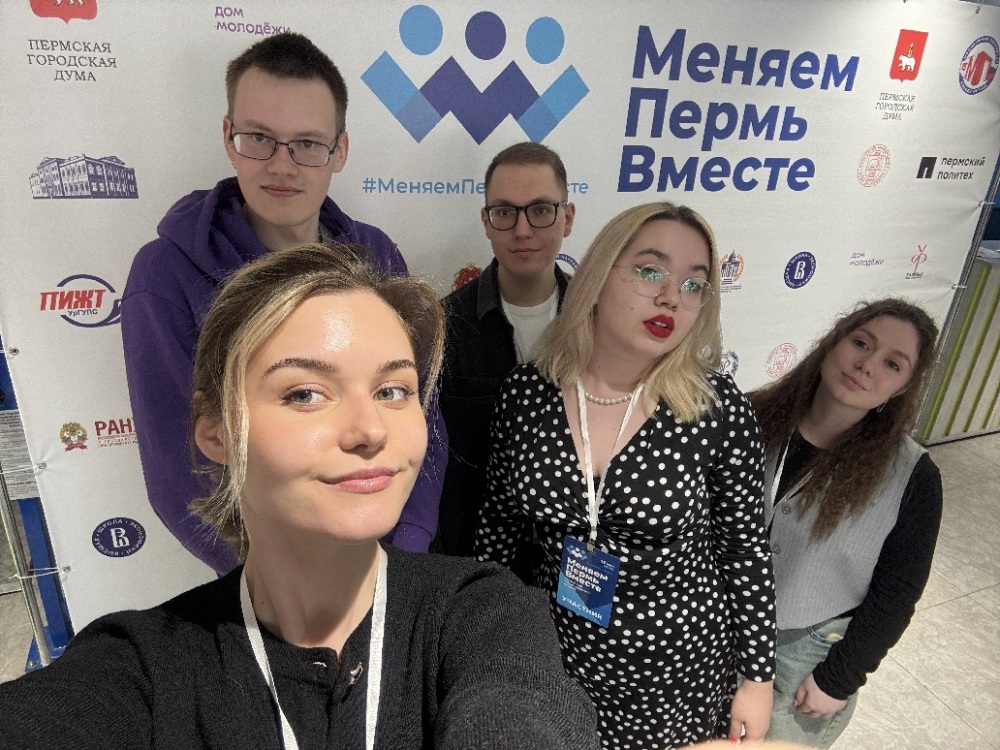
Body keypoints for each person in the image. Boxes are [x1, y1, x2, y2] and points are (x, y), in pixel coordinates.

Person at [0, 243, 599, 750]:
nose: (370, 429)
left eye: (393, 390)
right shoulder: (141, 666)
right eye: (306, 393)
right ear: (216, 430)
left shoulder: (482, 614)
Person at [121, 32, 446, 575]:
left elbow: (421, 411)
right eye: (259, 138)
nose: (282, 165)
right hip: (276, 580)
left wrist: (403, 556)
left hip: (392, 566)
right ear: (229, 137)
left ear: (340, 150)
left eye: (308, 144)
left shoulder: (377, 254)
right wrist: (287, 586)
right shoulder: (166, 274)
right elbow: (180, 471)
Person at [475, 202, 776, 749]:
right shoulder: (526, 394)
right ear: (597, 275)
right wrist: (484, 633)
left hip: (677, 672)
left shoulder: (715, 407)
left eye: (693, 284)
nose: (671, 297)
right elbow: (498, 526)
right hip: (558, 654)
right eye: (650, 271)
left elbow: (745, 548)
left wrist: (757, 678)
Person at [750, 299, 943, 749]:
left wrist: (840, 677)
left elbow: (898, 591)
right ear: (834, 342)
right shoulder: (755, 416)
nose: (866, 365)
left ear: (902, 388)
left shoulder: (912, 475)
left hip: (803, 658)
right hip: (714, 626)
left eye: (892, 364)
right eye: (861, 343)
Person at [436, 142, 575, 562]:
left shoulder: (601, 323)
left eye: (540, 210)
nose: (522, 230)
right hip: (472, 554)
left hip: (573, 556)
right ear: (486, 221)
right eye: (505, 211)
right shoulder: (444, 327)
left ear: (567, 218)